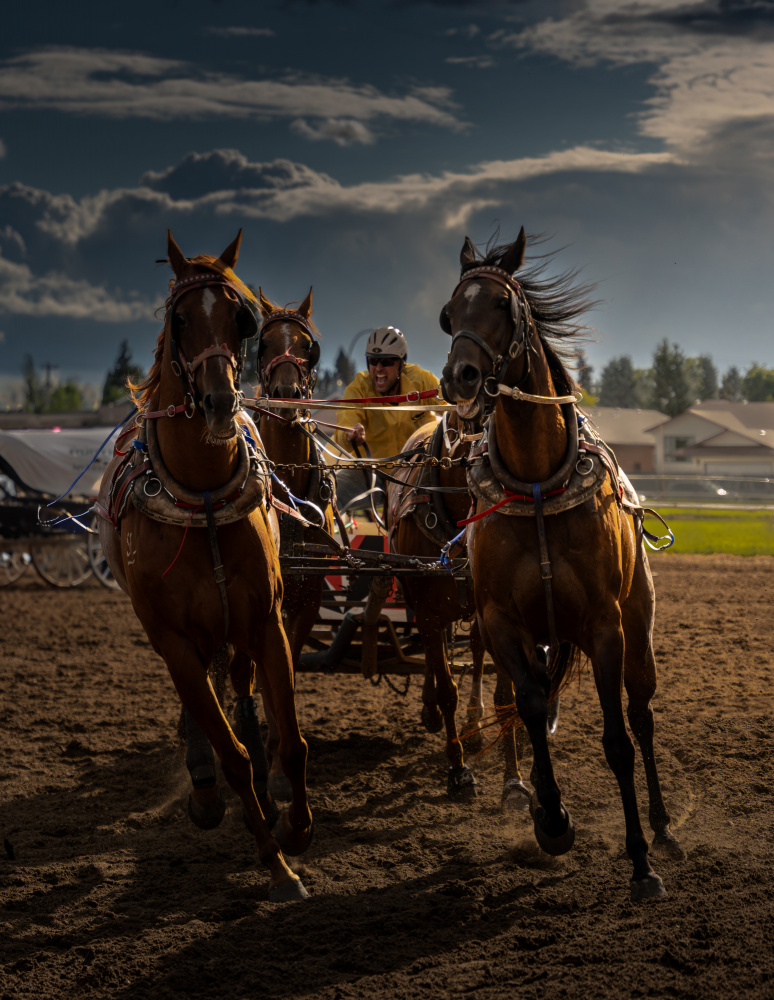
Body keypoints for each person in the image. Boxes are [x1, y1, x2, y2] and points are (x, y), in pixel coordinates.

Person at [333, 326, 440, 515]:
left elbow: (452, 408)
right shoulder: (358, 388)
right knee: (330, 489)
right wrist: (351, 434)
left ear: (401, 364)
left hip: (419, 474)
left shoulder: (423, 380)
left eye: (387, 362)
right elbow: (343, 428)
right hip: (375, 475)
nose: (379, 368)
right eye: (373, 361)